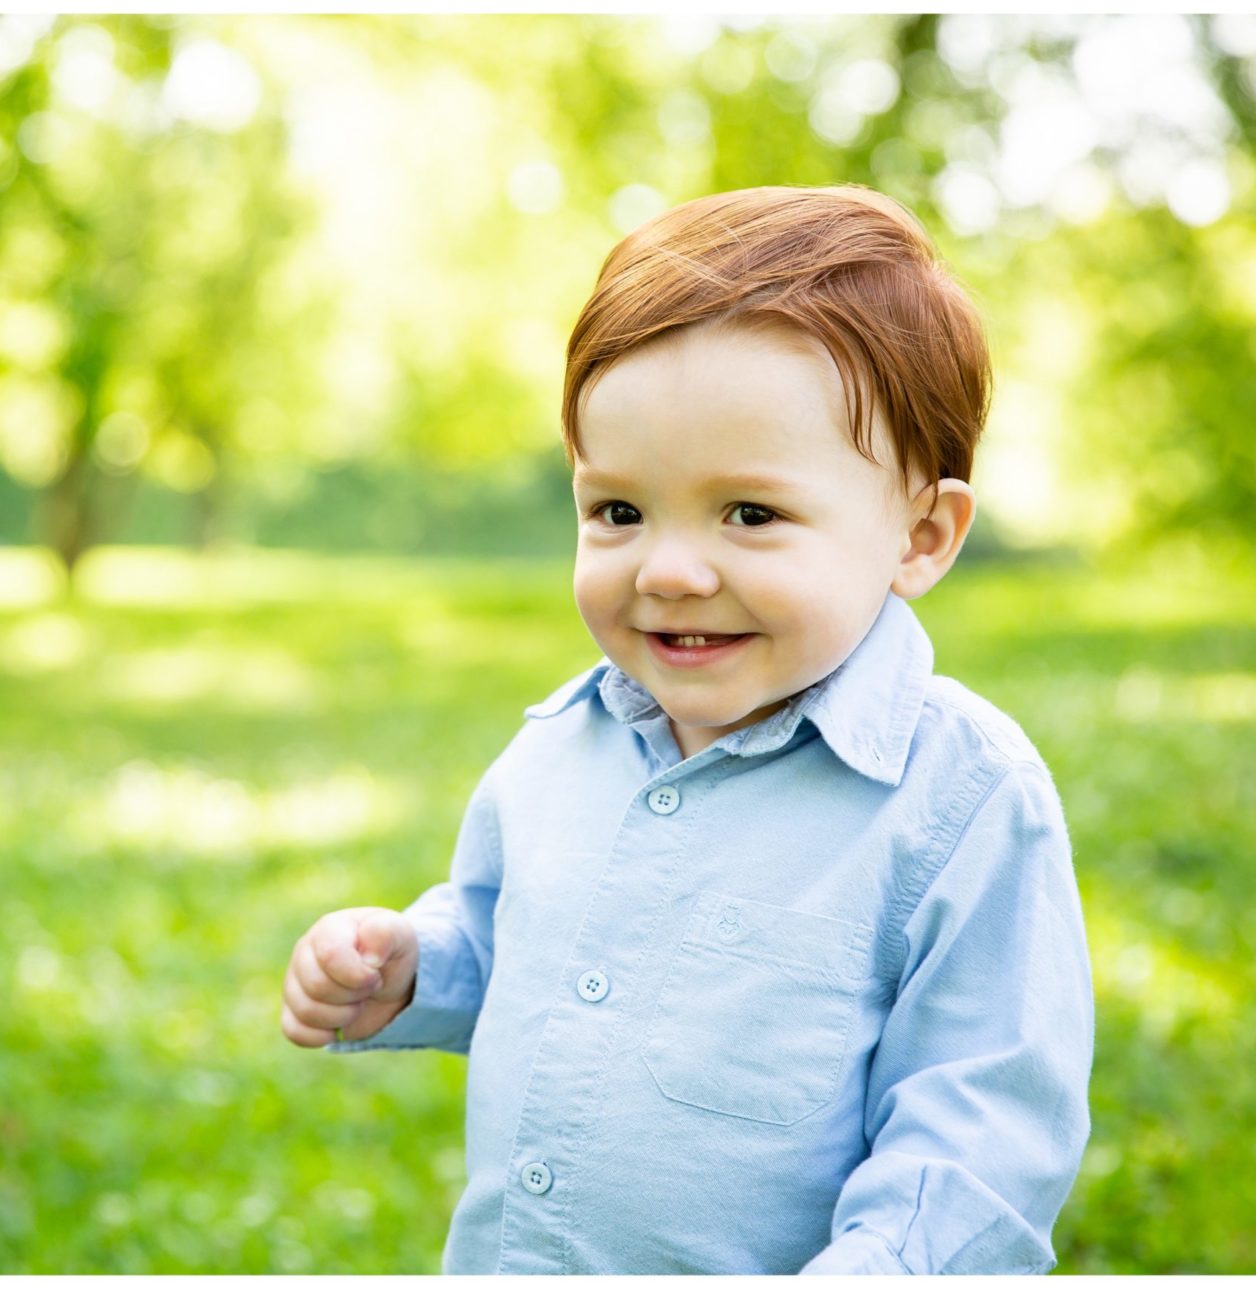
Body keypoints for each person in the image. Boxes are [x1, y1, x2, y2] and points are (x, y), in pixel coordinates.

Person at [278, 184, 1094, 1275]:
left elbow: (984, 1134)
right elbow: (499, 932)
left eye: (750, 513)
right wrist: (412, 966)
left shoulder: (957, 801)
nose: (667, 568)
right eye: (618, 510)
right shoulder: (560, 745)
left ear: (920, 535)